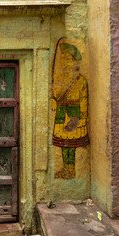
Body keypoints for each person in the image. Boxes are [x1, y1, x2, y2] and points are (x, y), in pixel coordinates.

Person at [52, 42, 89, 179]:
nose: (65, 62)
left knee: (71, 145)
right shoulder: (61, 79)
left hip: (74, 113)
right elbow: (56, 95)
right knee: (63, 144)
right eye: (63, 59)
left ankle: (71, 170)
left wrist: (83, 118)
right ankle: (66, 168)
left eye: (68, 59)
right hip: (61, 112)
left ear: (74, 61)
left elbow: (84, 100)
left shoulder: (81, 81)